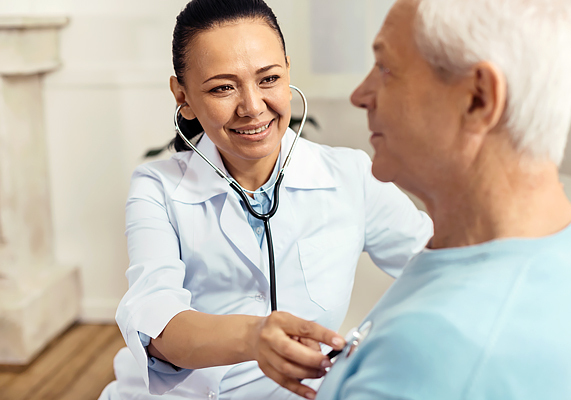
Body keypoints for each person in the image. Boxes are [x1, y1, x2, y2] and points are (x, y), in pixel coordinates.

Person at [98, 1, 433, 399]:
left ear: (288, 70)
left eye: (268, 79)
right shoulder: (157, 186)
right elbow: (158, 326)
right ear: (182, 96)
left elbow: (440, 264)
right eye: (223, 87)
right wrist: (253, 337)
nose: (252, 107)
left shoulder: (351, 177)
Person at [316, 0, 571, 398]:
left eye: (386, 68)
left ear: (478, 99)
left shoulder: (438, 355)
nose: (361, 94)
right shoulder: (556, 241)